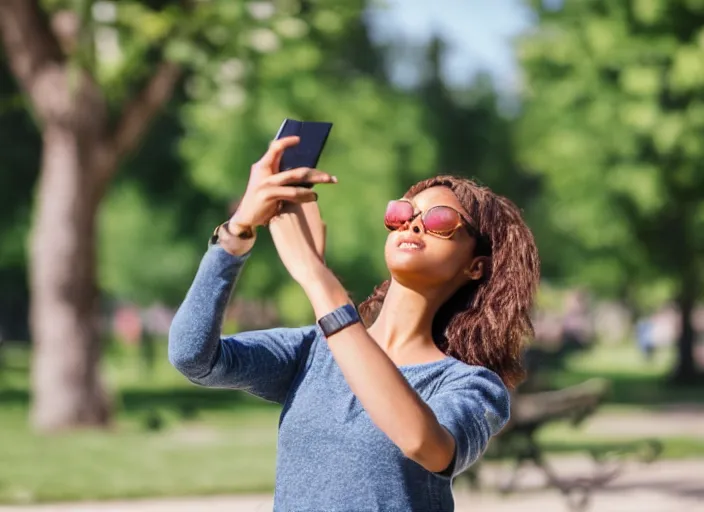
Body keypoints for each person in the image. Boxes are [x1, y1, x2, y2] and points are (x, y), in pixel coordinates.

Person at [168, 136, 540, 511]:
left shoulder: (471, 384)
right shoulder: (313, 351)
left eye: (440, 220)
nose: (412, 225)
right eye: (402, 213)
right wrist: (237, 233)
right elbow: (193, 356)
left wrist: (318, 279)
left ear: (475, 266)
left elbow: (425, 445)